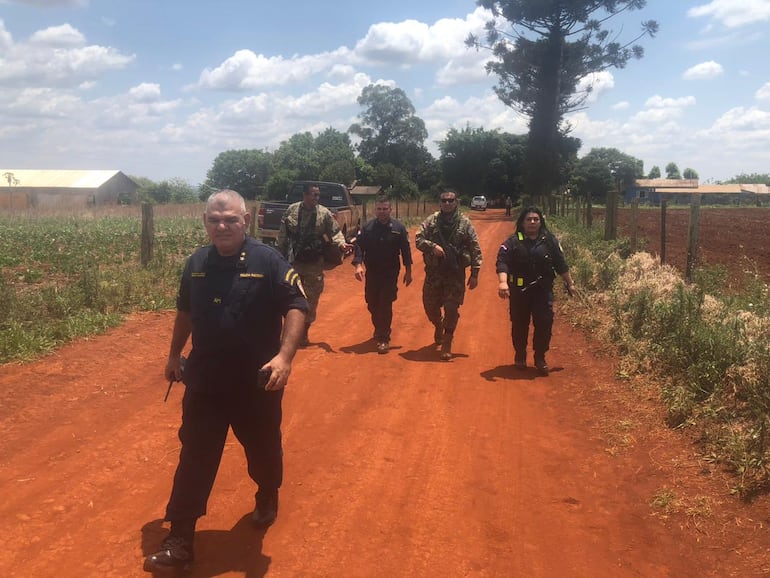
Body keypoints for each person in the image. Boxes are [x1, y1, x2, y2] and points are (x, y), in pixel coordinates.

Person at [145, 189, 309, 571]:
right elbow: (185, 312)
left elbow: (297, 305)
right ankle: (180, 540)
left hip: (256, 383)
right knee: (195, 457)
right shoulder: (196, 263)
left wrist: (285, 357)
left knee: (263, 451)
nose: (222, 226)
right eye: (214, 219)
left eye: (230, 219)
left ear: (245, 220)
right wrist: (173, 354)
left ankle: (268, 491)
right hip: (205, 380)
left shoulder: (268, 260)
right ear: (205, 221)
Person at [495, 206, 575, 376]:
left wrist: (570, 283)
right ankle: (520, 355)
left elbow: (561, 264)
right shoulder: (513, 242)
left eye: (535, 219)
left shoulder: (550, 241)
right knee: (519, 325)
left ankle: (540, 357)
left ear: (540, 222)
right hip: (519, 292)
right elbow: (502, 262)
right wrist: (503, 282)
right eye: (528, 219)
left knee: (544, 324)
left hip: (542, 291)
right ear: (522, 223)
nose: (532, 222)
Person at [277, 182, 352, 346]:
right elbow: (283, 235)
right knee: (291, 297)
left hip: (314, 264)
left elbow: (335, 232)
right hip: (294, 262)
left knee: (311, 300)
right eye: (313, 195)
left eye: (318, 195)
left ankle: (303, 332)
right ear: (305, 195)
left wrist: (341, 244)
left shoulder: (324, 213)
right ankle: (290, 333)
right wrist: (279, 256)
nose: (316, 198)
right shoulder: (292, 210)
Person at [415, 189, 482, 361]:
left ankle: (447, 340)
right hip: (434, 273)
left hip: (455, 274)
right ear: (440, 203)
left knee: (452, 308)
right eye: (444, 200)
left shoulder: (464, 223)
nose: (447, 203)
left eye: (450, 200)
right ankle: (438, 324)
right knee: (430, 307)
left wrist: (475, 273)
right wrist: (432, 247)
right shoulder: (431, 221)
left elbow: (475, 247)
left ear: (456, 202)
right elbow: (418, 239)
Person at [352, 195, 413, 353]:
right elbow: (359, 247)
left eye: (385, 209)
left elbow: (405, 250)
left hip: (390, 272)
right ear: (374, 210)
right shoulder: (367, 228)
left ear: (390, 210)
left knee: (385, 304)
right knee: (372, 303)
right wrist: (358, 265)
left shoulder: (398, 228)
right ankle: (380, 327)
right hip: (372, 272)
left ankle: (384, 338)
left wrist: (409, 271)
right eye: (379, 209)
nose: (382, 212)